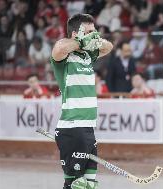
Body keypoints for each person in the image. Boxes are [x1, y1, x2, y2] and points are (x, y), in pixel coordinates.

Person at [50, 13, 113, 189]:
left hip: (87, 127)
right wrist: (81, 41)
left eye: (95, 31)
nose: (95, 34)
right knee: (74, 184)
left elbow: (109, 47)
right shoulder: (65, 56)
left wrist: (96, 41)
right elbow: (58, 49)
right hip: (72, 127)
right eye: (90, 31)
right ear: (76, 32)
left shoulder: (87, 55)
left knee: (90, 185)